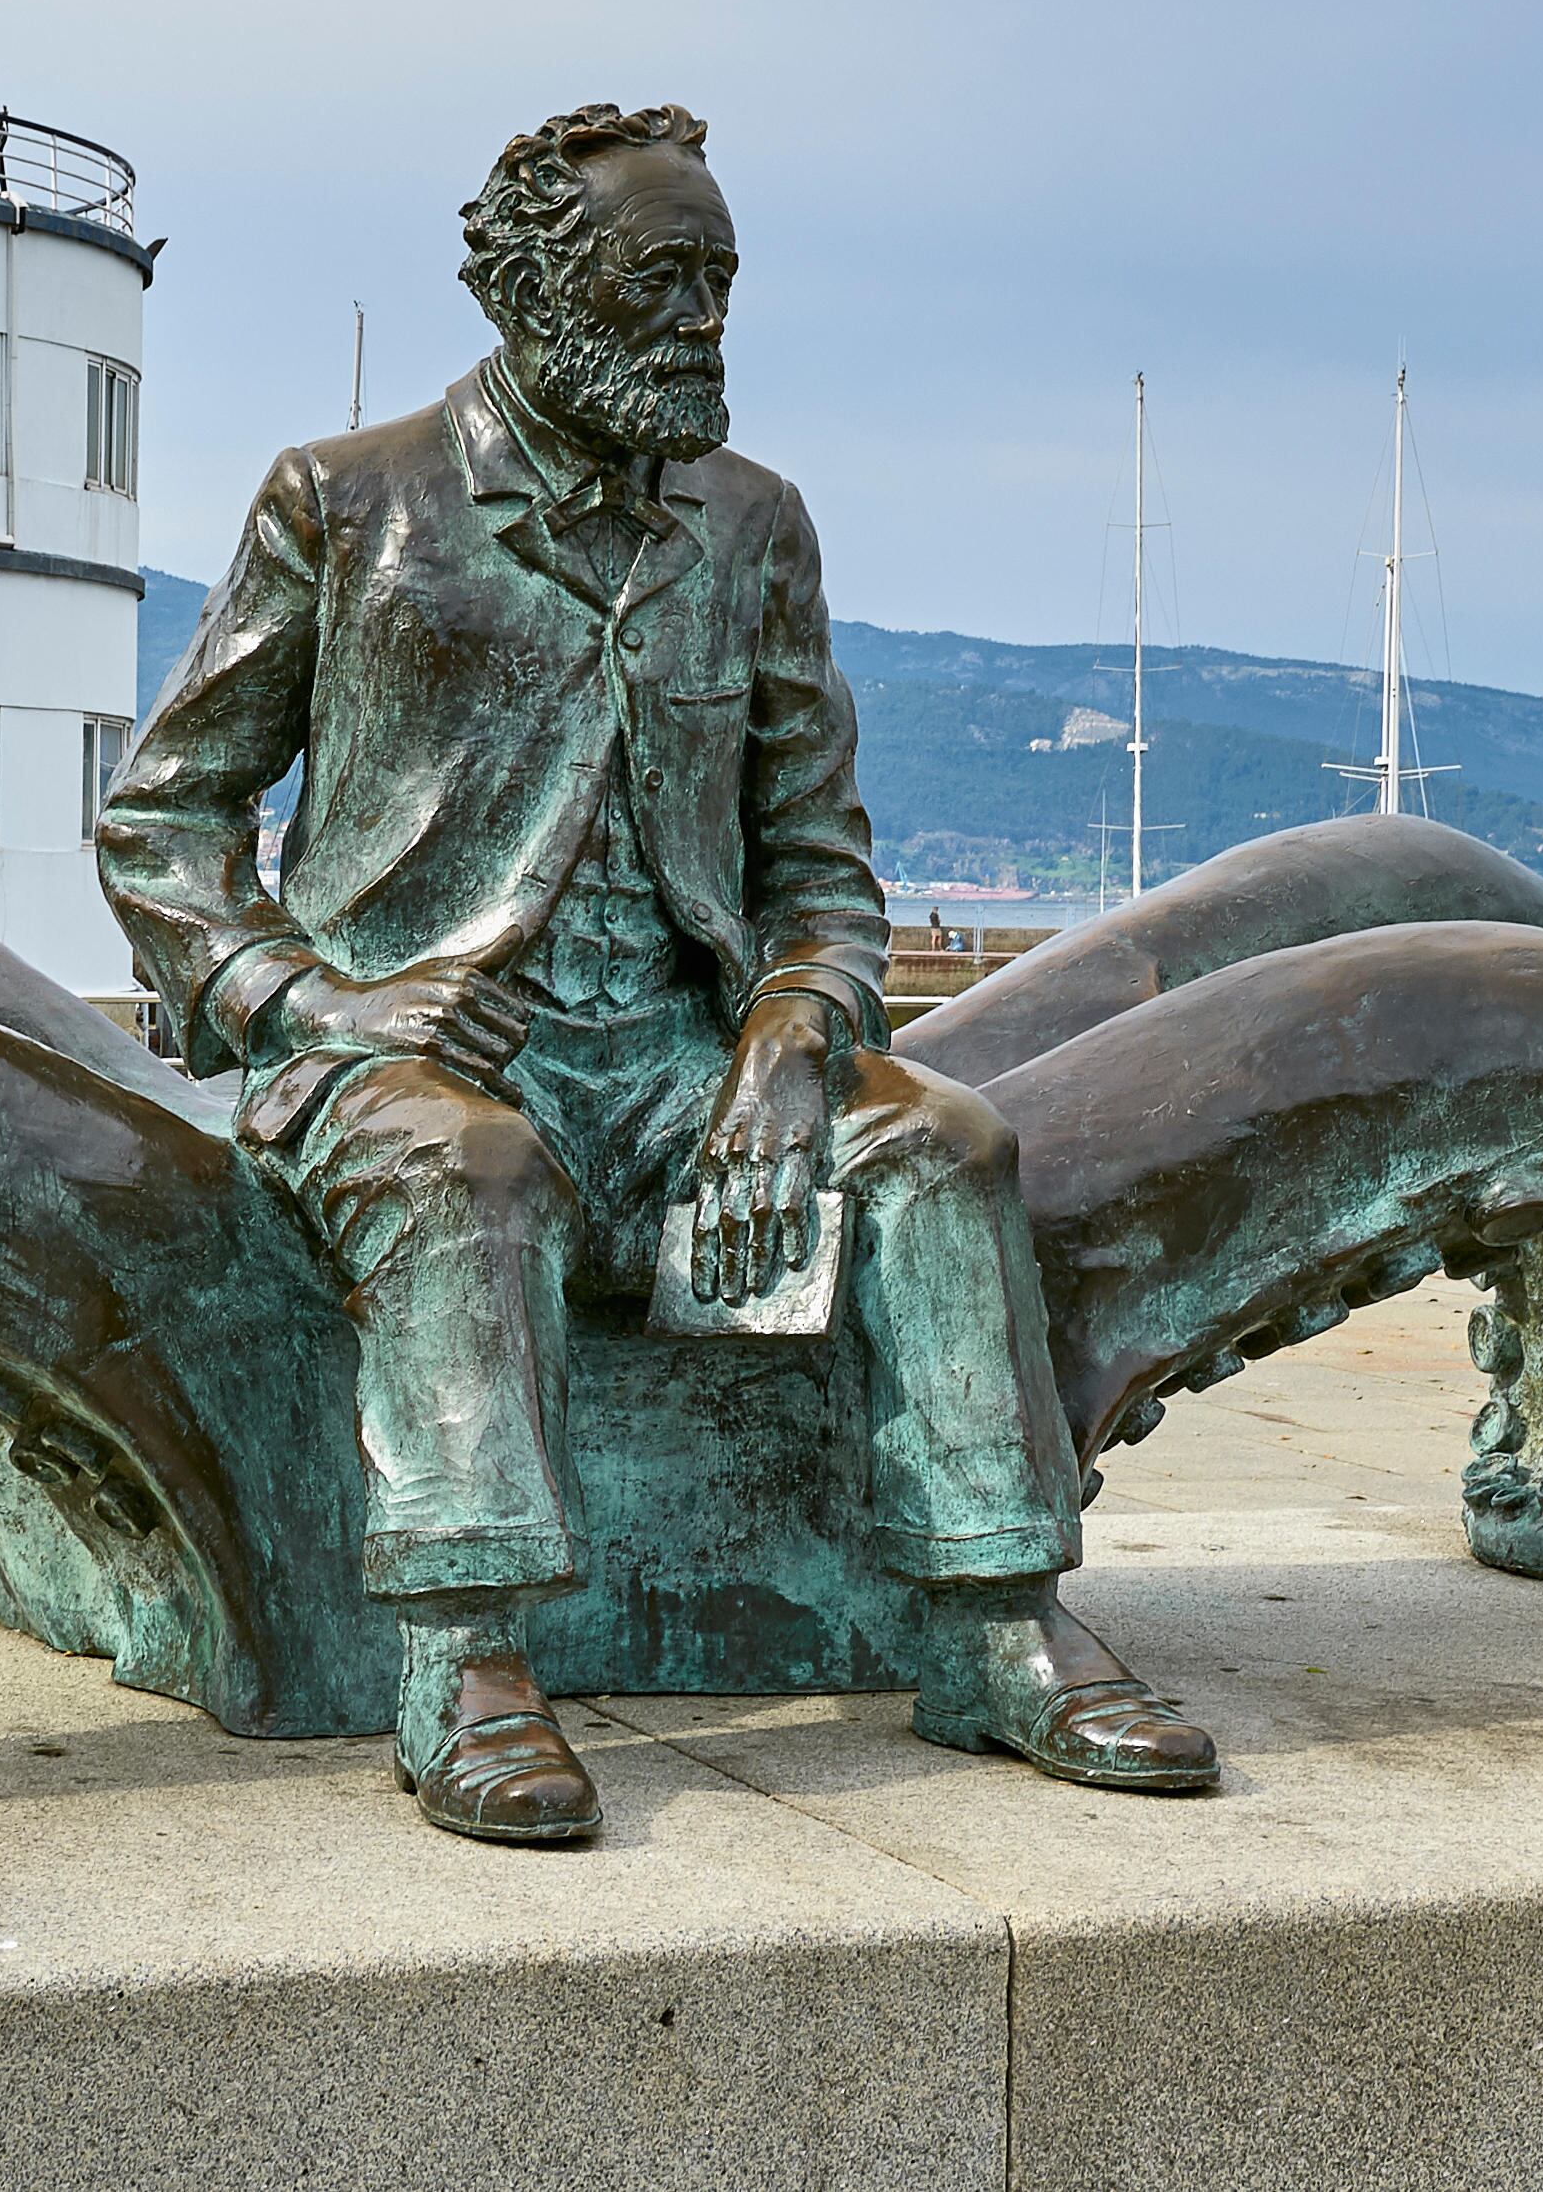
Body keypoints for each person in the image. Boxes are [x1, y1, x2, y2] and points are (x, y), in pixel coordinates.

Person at [98, 103, 1215, 1845]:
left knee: (945, 1147)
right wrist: (314, 1004)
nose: (705, 321)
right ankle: (465, 1660)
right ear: (537, 293)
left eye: (721, 282)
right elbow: (163, 822)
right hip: (419, 1063)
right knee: (473, 1167)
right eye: (664, 280)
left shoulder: (756, 526)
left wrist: (790, 1027)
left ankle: (996, 1622)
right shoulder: (349, 501)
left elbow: (825, 874)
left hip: (689, 1065)